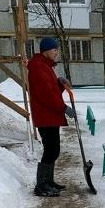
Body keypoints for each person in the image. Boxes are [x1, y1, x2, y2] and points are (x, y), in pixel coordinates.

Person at [27, 36, 74, 198]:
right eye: (54, 49)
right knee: (51, 150)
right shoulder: (38, 67)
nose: (56, 53)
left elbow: (51, 90)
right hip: (46, 116)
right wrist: (64, 108)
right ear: (46, 50)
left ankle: (48, 181)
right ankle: (41, 185)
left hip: (49, 116)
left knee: (53, 150)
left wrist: (59, 84)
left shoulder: (45, 66)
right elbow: (46, 95)